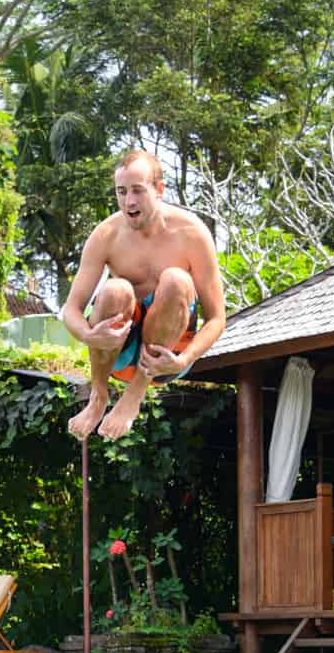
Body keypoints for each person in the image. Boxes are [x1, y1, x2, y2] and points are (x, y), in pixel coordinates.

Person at [61, 149, 226, 441]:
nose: (129, 201)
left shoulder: (192, 233)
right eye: (121, 192)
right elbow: (71, 310)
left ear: (159, 190)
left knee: (176, 279)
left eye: (138, 190)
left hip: (166, 358)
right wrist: (89, 336)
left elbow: (217, 319)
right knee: (116, 289)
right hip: (118, 353)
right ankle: (99, 394)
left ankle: (134, 394)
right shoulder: (106, 235)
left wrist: (183, 359)